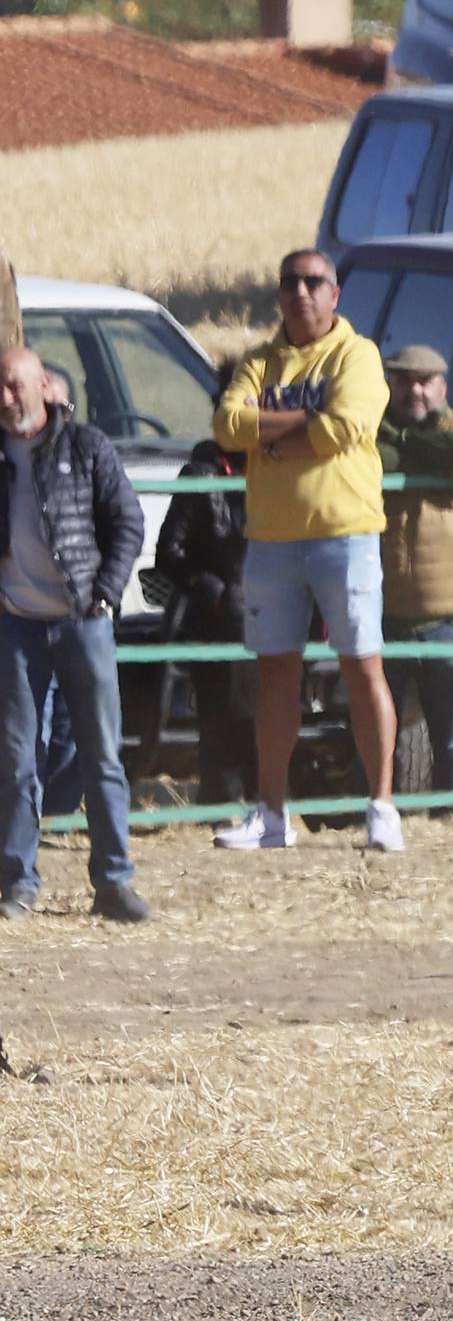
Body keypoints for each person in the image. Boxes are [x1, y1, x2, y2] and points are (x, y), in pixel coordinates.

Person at [209, 249, 402, 854]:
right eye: (290, 281)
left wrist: (268, 434)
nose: (301, 292)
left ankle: (382, 808)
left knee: (362, 663)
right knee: (275, 674)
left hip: (345, 534)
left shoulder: (358, 354)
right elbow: (225, 425)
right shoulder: (261, 361)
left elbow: (346, 426)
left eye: (313, 282)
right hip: (272, 539)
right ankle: (271, 815)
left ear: (335, 293)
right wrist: (301, 427)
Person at [0, 345, 148, 922]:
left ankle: (114, 881)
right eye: (1, 386)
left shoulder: (86, 447)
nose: (7, 398)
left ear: (44, 387)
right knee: (16, 757)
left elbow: (127, 521)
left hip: (82, 620)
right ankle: (18, 881)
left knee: (102, 752)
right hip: (16, 626)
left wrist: (105, 593)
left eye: (16, 385)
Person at [373, 345, 453, 799]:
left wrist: (412, 446)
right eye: (404, 382)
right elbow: (381, 461)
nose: (414, 391)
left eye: (425, 382)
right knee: (378, 732)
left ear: (443, 387)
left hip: (449, 613)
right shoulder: (376, 428)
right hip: (387, 611)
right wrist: (433, 459)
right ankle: (379, 815)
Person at [151, 424, 254, 804]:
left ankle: (268, 807)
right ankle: (221, 806)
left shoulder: (275, 467)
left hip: (271, 611)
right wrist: (209, 587)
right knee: (223, 719)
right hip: (221, 619)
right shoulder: (200, 475)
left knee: (265, 717)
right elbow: (169, 552)